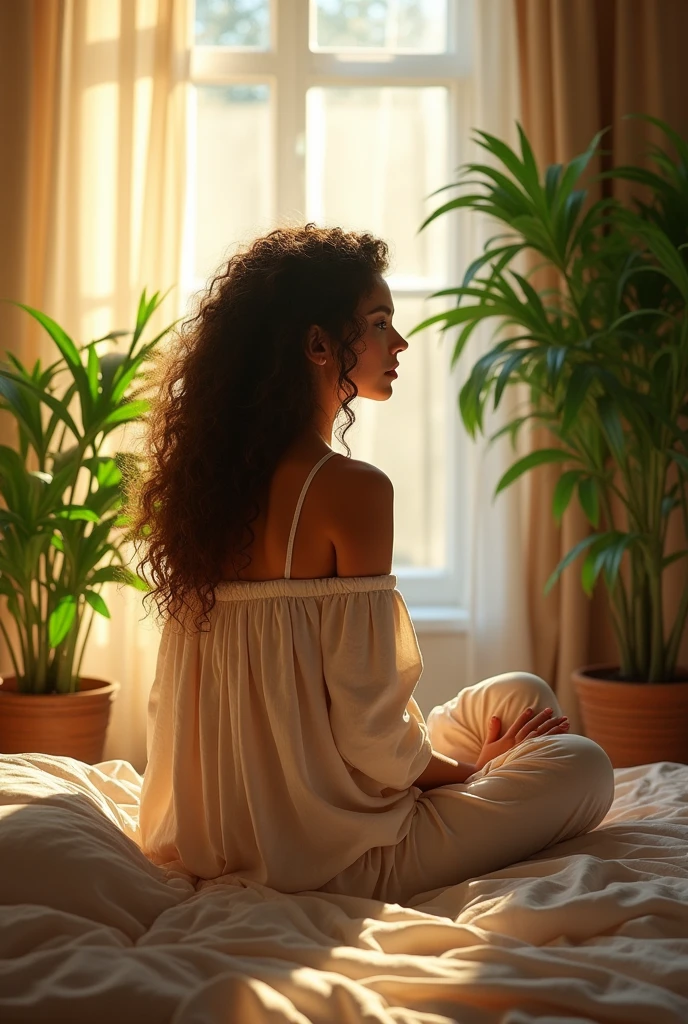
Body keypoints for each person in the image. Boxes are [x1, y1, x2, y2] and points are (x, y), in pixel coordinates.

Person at [133, 224, 615, 905]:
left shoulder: (207, 492)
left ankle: (484, 762)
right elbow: (369, 733)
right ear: (318, 344)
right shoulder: (350, 491)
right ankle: (483, 776)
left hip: (216, 823)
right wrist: (473, 772)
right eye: (380, 323)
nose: (401, 343)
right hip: (326, 854)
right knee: (584, 765)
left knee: (521, 693)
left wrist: (462, 764)